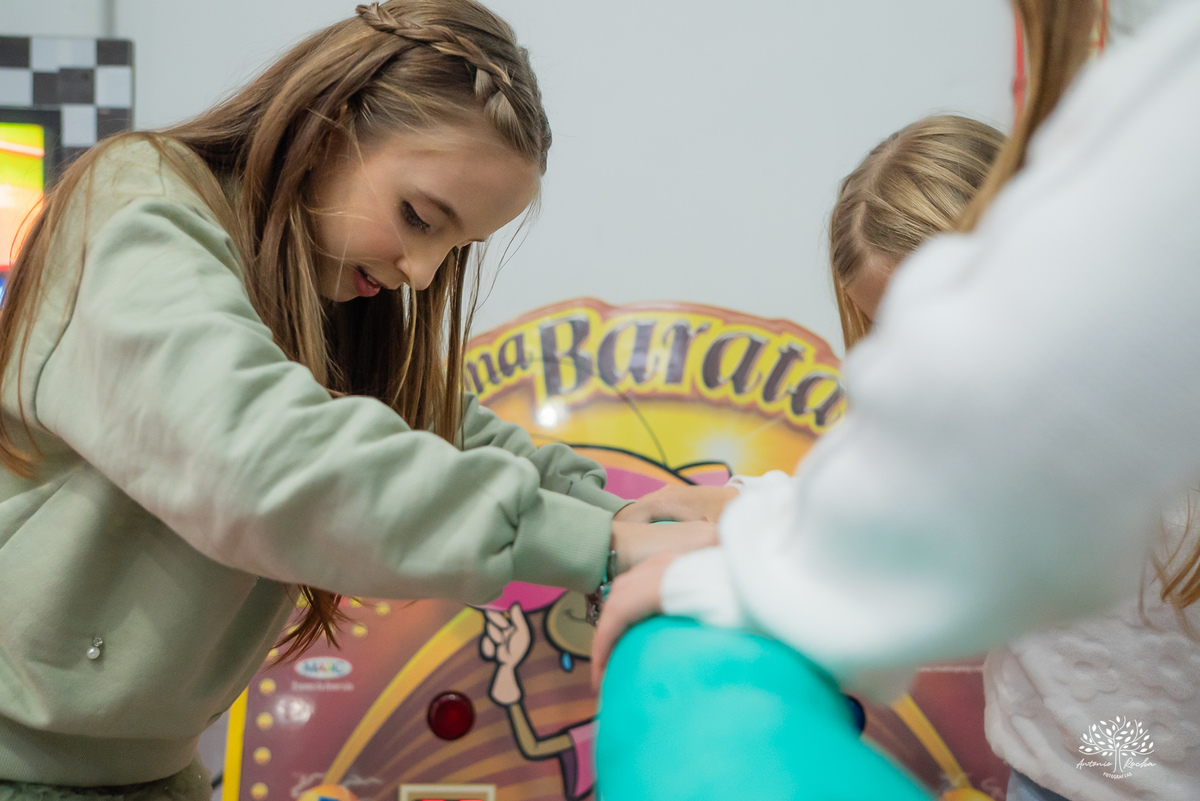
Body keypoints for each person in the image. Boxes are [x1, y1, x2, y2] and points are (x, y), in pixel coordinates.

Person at [0, 1, 717, 794]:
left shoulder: (321, 283)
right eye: (418, 217)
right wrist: (598, 544)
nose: (422, 273)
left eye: (455, 248)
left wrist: (617, 512)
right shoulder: (140, 205)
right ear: (329, 125)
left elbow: (443, 428)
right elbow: (260, 456)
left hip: (154, 770)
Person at [594, 0, 1200, 785]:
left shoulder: (1141, 460)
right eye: (889, 331)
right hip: (1045, 768)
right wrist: (745, 509)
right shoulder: (974, 454)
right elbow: (899, 493)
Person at [832, 113, 1200, 801]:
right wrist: (731, 507)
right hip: (1053, 772)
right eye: (896, 335)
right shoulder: (960, 441)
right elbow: (856, 509)